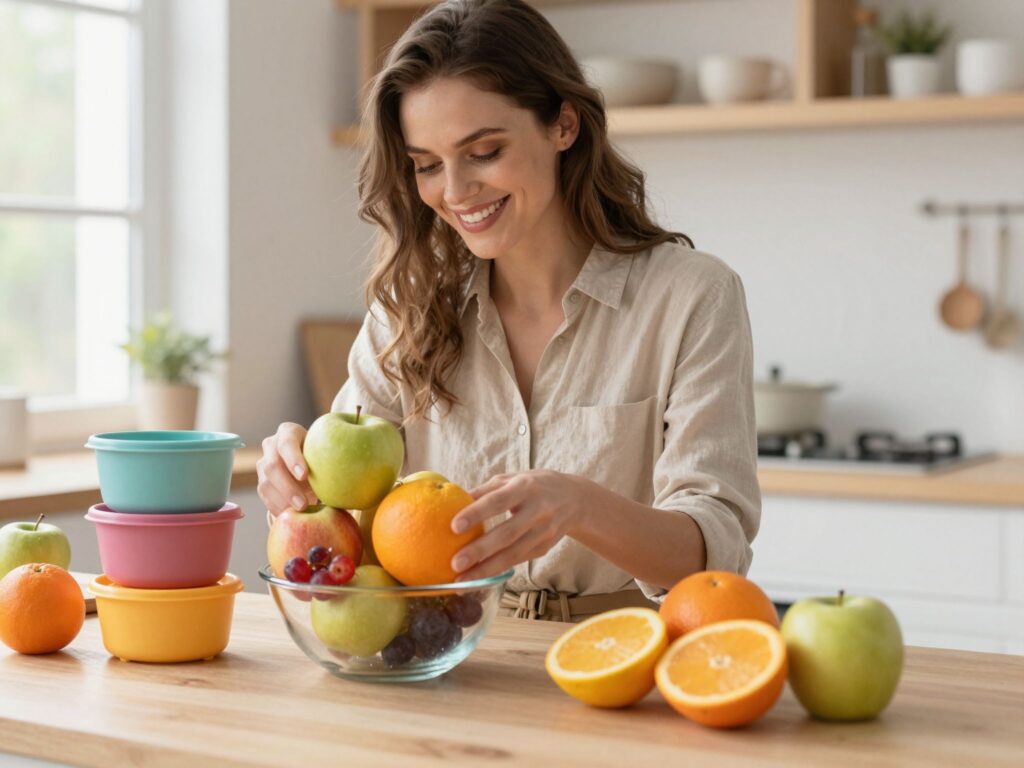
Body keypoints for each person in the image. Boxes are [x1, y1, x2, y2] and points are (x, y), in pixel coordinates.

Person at [257, 0, 760, 622]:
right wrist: (297, 486)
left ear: (563, 126)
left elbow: (715, 559)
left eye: (485, 151)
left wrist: (578, 505)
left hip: (621, 662)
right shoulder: (408, 306)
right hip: (447, 659)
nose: (457, 190)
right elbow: (348, 531)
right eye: (427, 165)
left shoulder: (690, 297)